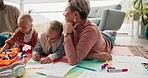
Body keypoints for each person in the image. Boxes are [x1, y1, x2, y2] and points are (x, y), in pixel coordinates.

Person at [63, 0, 116, 65]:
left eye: (65, 10)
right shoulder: (69, 25)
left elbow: (73, 60)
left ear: (76, 14)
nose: (63, 14)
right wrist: (93, 55)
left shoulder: (90, 31)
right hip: (95, 36)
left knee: (109, 34)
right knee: (98, 33)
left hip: (107, 40)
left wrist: (66, 34)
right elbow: (67, 52)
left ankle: (110, 33)